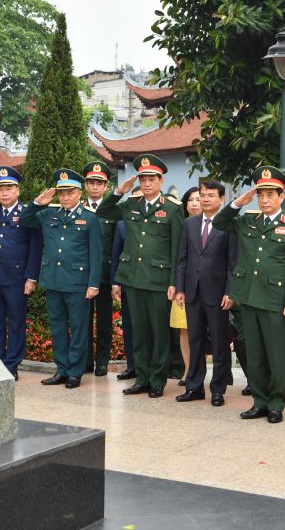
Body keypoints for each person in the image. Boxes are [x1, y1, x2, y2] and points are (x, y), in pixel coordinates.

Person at [214, 166, 285, 424]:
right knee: (253, 354)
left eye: (270, 195)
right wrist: (237, 203)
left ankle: (276, 403)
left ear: (281, 196)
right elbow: (219, 222)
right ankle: (259, 401)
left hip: (276, 301)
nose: (264, 200)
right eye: (261, 195)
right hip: (249, 297)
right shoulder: (247, 221)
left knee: (276, 355)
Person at [97, 154, 184, 398]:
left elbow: (177, 249)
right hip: (133, 278)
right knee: (138, 331)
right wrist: (120, 190)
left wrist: (173, 282)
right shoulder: (130, 205)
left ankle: (157, 379)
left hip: (158, 281)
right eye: (143, 179)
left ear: (160, 181)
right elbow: (103, 210)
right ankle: (142, 378)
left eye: (151, 179)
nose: (146, 184)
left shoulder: (172, 209)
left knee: (159, 333)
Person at [20, 169, 102, 389]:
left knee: (78, 328)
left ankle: (75, 372)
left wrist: (93, 283)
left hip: (78, 282)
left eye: (70, 193)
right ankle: (61, 369)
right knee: (57, 327)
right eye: (62, 193)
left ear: (79, 193)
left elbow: (96, 253)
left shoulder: (90, 219)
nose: (65, 197)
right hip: (53, 280)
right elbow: (24, 220)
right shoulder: (49, 214)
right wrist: (38, 203)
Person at [174, 180, 237, 407]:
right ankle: (194, 387)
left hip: (218, 292)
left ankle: (218, 389)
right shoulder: (190, 224)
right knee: (195, 340)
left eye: (210, 195)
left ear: (221, 199)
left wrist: (230, 292)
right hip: (192, 291)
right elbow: (182, 259)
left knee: (220, 343)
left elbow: (233, 263)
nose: (205, 199)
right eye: (202, 195)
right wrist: (180, 288)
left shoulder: (228, 224)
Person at [0, 166, 43, 380]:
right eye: (0, 188)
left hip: (16, 278)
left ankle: (11, 364)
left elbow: (35, 246)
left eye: (9, 188)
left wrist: (31, 277)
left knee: (15, 322)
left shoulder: (26, 213)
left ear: (18, 190)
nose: (4, 193)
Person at [82, 161, 116, 377]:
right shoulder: (77, 208)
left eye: (99, 183)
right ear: (86, 185)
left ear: (106, 187)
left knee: (104, 321)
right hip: (81, 273)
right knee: (82, 321)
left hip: (104, 274)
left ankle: (102, 361)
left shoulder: (114, 211)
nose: (95, 187)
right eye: (91, 182)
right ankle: (85, 361)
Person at [171, 186, 203, 386]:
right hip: (185, 285)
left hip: (209, 286)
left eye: (198, 199)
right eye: (190, 199)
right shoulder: (181, 225)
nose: (194, 203)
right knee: (184, 329)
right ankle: (188, 370)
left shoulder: (217, 224)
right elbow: (178, 258)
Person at [111, 186, 143, 380]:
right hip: (128, 283)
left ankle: (148, 368)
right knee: (130, 326)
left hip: (151, 284)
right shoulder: (122, 224)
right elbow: (117, 254)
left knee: (149, 328)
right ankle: (132, 366)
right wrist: (115, 282)